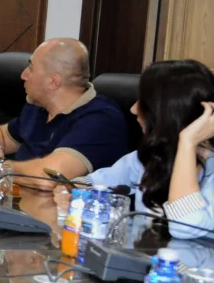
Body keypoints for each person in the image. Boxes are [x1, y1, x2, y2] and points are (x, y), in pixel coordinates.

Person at [0, 38, 128, 189]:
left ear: (53, 82)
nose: (23, 75)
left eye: (31, 68)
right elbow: (4, 136)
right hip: (18, 204)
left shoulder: (101, 119)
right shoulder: (38, 106)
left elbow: (49, 177)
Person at [76, 60, 214, 238]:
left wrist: (187, 142)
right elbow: (93, 183)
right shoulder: (153, 155)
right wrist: (70, 190)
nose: (133, 109)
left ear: (168, 112)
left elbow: (184, 226)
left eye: (144, 102)